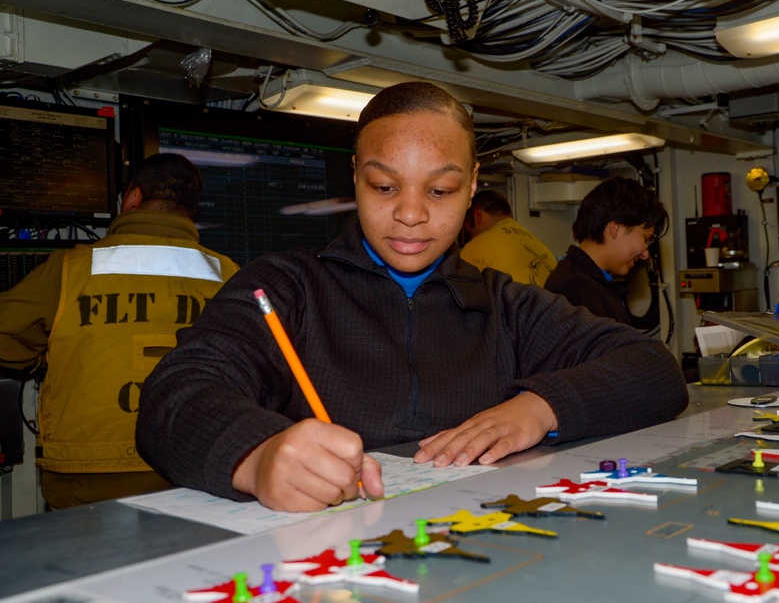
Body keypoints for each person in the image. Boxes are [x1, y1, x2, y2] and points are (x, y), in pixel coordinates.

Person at [135, 82, 688, 513]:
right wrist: (254, 455)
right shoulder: (284, 287)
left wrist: (540, 407)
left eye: (441, 190)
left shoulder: (507, 306)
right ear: (354, 177)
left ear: (473, 186)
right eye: (384, 186)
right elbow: (176, 393)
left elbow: (653, 367)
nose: (411, 213)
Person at [0, 153, 240, 509]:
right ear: (190, 209)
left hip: (89, 474)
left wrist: (50, 352)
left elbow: (6, 337)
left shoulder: (71, 268)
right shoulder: (229, 274)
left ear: (133, 198)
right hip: (191, 466)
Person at [544, 176, 667, 326]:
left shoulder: (591, 283)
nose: (645, 254)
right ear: (616, 228)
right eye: (645, 239)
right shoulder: (577, 291)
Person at [460, 189, 557, 285]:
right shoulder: (535, 240)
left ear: (477, 215)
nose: (470, 232)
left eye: (467, 226)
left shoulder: (475, 247)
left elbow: (463, 291)